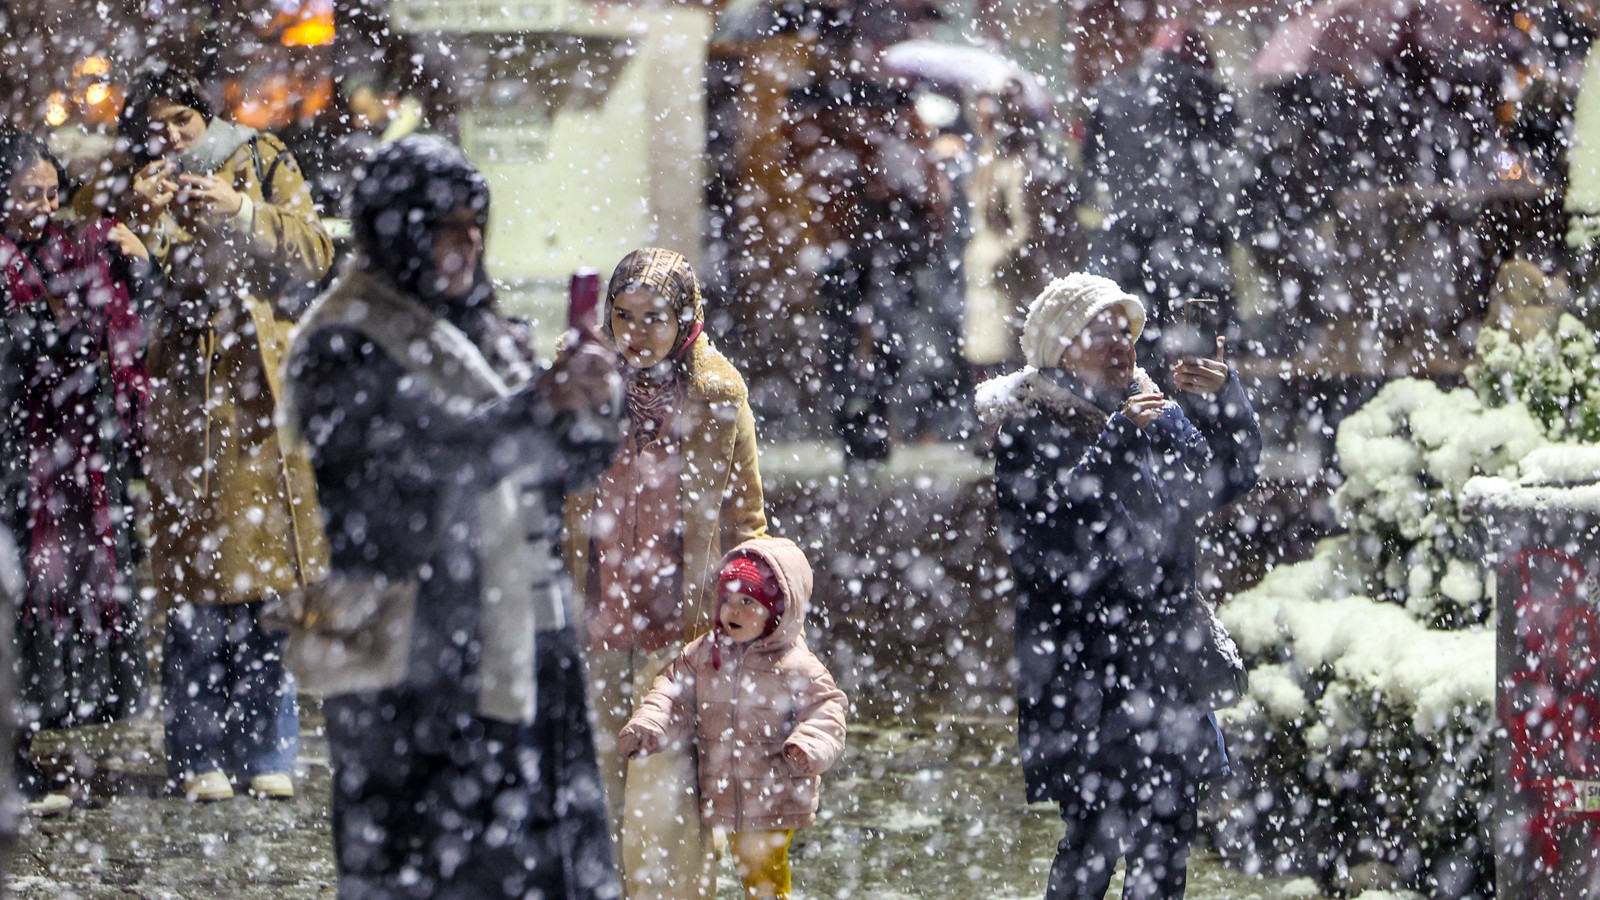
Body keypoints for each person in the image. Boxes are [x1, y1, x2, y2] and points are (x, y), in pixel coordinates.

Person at [285, 135, 623, 900]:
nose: (469, 241)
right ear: (400, 229)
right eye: (447, 224)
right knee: (436, 859)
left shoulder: (478, 323)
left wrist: (590, 406)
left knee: (531, 854)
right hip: (417, 654)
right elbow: (410, 478)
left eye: (477, 222)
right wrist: (536, 408)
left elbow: (554, 470)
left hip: (518, 629)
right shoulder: (345, 336)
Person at [977, 273, 1260, 900]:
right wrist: (1116, 444)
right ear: (1061, 347)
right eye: (1100, 333)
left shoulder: (1151, 406)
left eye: (1126, 331)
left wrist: (1225, 401)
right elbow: (1047, 540)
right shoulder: (1031, 424)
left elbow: (1227, 480)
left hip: (1166, 659)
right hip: (1085, 670)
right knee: (1092, 842)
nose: (1121, 346)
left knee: (1166, 836)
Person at [95, 67, 333, 802]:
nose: (168, 139)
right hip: (187, 397)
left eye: (180, 122)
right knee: (196, 591)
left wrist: (242, 210)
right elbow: (124, 264)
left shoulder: (264, 160)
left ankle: (269, 748)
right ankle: (197, 753)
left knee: (267, 587)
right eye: (156, 129)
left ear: (207, 115)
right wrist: (135, 225)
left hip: (260, 391)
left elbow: (315, 251)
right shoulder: (143, 183)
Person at [564, 247, 768, 900]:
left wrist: (755, 618)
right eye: (623, 316)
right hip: (593, 619)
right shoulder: (587, 386)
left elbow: (746, 519)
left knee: (667, 798)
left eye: (655, 317)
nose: (637, 333)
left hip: (680, 627)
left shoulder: (716, 394)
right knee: (592, 786)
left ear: (686, 318)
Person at [0, 131, 156, 815]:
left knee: (41, 595)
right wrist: (49, 337)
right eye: (24, 193)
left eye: (48, 191)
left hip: (56, 458)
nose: (41, 204)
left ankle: (25, 745)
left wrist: (135, 261)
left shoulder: (66, 248)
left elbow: (118, 320)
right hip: (18, 454)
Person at [618, 537, 847, 900]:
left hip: (773, 796)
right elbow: (672, 689)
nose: (733, 612)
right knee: (745, 863)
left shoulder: (794, 664)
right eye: (728, 599)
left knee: (763, 873)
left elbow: (827, 709)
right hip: (727, 792)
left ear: (777, 611)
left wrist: (809, 743)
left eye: (747, 602)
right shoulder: (707, 653)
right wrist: (652, 724)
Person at [1082, 21, 1239, 376]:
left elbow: (1091, 161)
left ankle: (1141, 405)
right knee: (1195, 330)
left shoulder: (1112, 90)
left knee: (1135, 331)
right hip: (1190, 232)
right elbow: (1231, 143)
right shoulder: (1203, 90)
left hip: (1126, 232)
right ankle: (1195, 411)